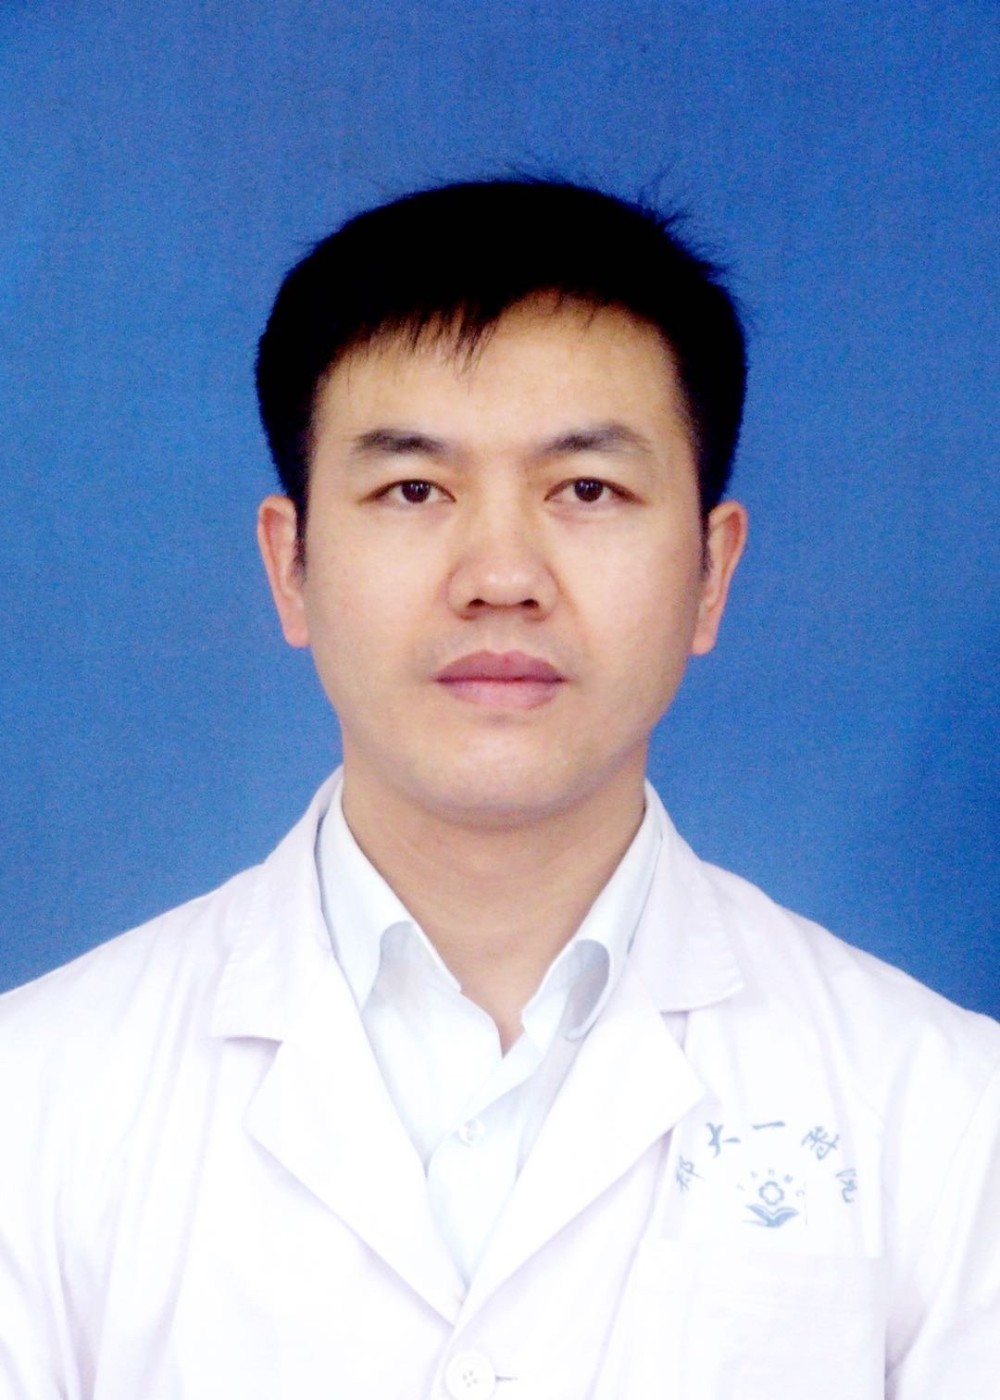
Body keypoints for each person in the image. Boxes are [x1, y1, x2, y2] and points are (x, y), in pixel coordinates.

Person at [0, 178, 996, 1400]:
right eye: (414, 490)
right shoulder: (33, 1104)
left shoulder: (946, 1115)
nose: (502, 575)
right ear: (291, 563)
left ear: (710, 571)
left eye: (586, 489)